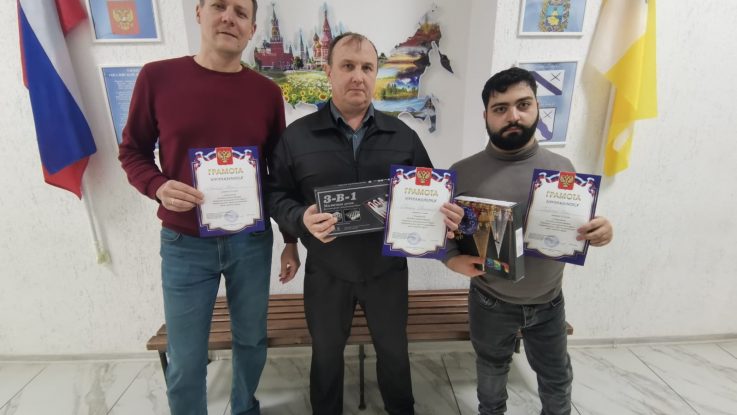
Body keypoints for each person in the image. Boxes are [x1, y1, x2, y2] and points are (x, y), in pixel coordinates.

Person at [267, 32, 464, 415]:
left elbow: (431, 195)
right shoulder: (297, 138)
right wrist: (299, 220)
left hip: (386, 270)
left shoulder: (403, 136)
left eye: (366, 67)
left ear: (375, 74)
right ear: (329, 72)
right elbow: (277, 195)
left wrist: (448, 215)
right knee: (326, 357)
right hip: (327, 270)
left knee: (394, 354)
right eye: (348, 66)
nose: (358, 76)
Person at [118, 1, 299, 414]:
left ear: (252, 28)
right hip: (185, 244)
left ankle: (244, 407)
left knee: (251, 340)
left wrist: (290, 240)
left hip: (250, 242)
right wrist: (158, 186)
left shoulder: (267, 93)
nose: (228, 17)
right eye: (218, 5)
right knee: (185, 356)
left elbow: (279, 174)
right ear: (199, 12)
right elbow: (132, 152)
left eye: (240, 12)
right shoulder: (157, 78)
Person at [443, 67, 613, 415]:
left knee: (556, 377)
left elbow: (580, 226)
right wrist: (451, 259)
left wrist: (600, 231)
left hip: (550, 302)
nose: (513, 116)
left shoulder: (562, 168)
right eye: (500, 108)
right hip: (489, 301)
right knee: (491, 375)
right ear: (486, 116)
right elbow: (441, 233)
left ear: (537, 107)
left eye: (523, 104)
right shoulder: (461, 172)